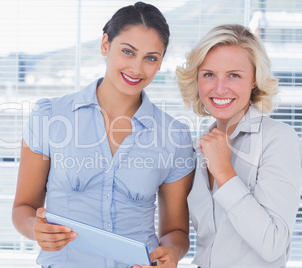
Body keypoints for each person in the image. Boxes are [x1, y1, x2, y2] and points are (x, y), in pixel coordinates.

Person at [12, 2, 194, 268]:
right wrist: (34, 229)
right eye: (128, 52)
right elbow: (23, 208)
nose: (137, 68)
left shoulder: (174, 137)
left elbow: (176, 231)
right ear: (105, 45)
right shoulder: (49, 117)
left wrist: (171, 253)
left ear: (160, 63)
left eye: (151, 58)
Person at [176, 24, 302, 268]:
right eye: (209, 74)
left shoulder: (278, 139)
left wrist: (224, 172)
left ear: (254, 80)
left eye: (234, 75)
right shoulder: (198, 147)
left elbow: (273, 245)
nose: (220, 88)